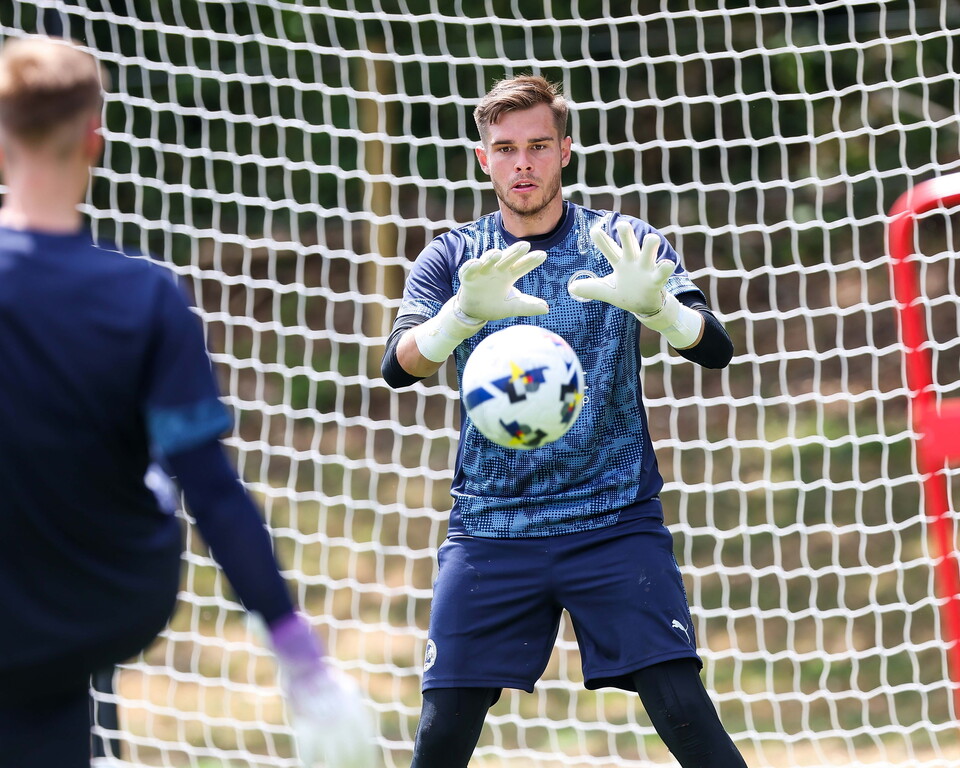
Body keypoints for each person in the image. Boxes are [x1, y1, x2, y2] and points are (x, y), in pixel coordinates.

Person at [0, 36, 375, 768]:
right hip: (97, 603)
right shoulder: (144, 297)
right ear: (94, 141)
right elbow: (211, 488)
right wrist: (297, 650)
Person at [381, 74, 746, 767]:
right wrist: (459, 316)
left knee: (683, 710)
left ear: (567, 150)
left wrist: (659, 309)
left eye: (540, 146)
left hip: (613, 520)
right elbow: (397, 368)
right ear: (483, 158)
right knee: (440, 734)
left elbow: (717, 348)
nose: (524, 163)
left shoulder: (620, 242)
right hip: (492, 526)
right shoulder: (457, 256)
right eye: (507, 148)